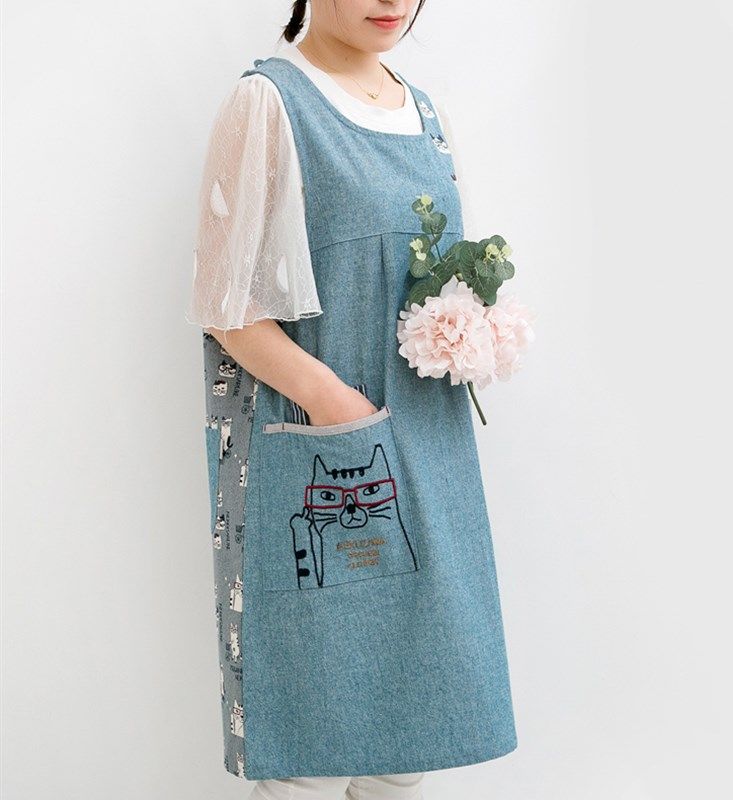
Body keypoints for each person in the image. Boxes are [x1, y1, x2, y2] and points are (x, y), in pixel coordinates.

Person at [185, 1, 517, 797]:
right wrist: (333, 401)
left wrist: (474, 330)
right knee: (307, 741)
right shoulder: (269, 102)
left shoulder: (426, 114)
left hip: (429, 449)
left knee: (411, 739)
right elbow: (227, 305)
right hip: (323, 454)